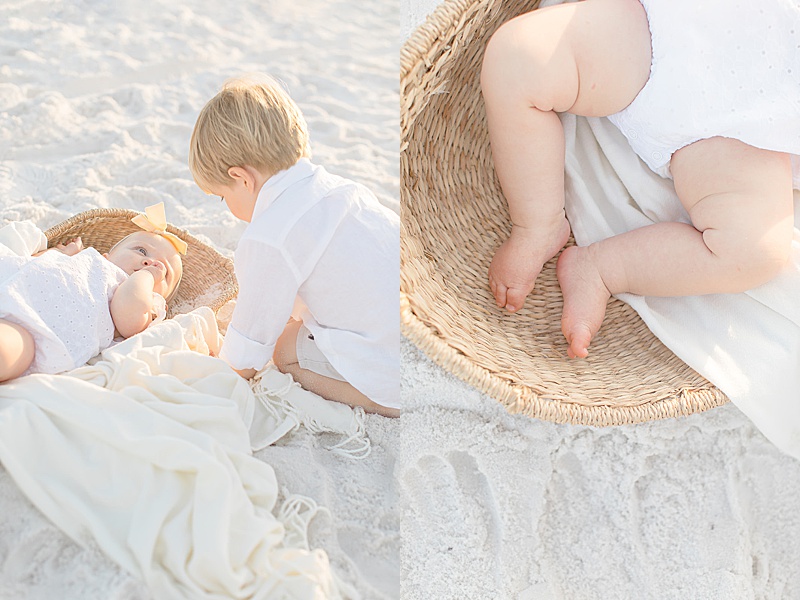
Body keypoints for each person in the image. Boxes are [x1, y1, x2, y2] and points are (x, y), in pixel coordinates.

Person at [480, 0, 800, 359]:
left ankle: (603, 268)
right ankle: (537, 223)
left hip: (751, 125)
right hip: (674, 28)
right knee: (518, 58)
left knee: (754, 252)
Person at [188, 74, 400, 418]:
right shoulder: (343, 190)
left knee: (284, 350)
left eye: (222, 197)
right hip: (421, 337)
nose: (226, 206)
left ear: (242, 178)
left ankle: (375, 400)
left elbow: (247, 354)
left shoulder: (268, 236)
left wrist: (222, 368)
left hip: (389, 367)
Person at [0, 203, 186, 382]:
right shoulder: (93, 261)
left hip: (34, 328)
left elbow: (128, 310)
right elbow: (34, 263)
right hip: (12, 282)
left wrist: (147, 276)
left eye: (164, 271)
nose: (150, 263)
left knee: (10, 350)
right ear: (107, 256)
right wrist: (59, 253)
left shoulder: (143, 305)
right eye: (142, 250)